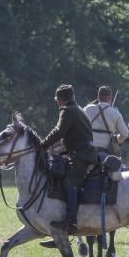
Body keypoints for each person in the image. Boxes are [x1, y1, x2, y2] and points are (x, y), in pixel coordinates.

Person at [40, 84, 98, 234]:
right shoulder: (79, 110)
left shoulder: (67, 111)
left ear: (60, 100)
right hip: (83, 152)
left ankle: (70, 222)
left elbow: (58, 132)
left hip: (81, 155)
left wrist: (41, 145)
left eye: (57, 100)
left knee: (69, 182)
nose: (57, 103)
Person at [84, 86, 129, 157]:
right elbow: (125, 134)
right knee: (118, 167)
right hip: (104, 152)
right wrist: (115, 139)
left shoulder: (87, 109)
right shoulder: (115, 113)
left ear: (98, 97)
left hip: (86, 149)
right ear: (110, 98)